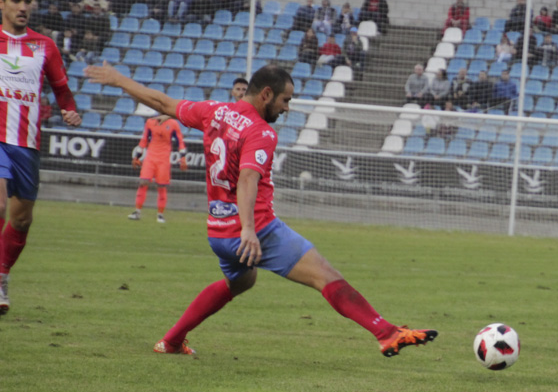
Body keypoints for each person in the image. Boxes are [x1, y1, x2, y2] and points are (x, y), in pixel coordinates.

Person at [85, 63, 438, 357]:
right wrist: (250, 230)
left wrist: (118, 80)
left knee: (241, 281)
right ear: (266, 94)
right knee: (325, 275)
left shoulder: (214, 112)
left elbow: (160, 101)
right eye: (285, 100)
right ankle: (385, 332)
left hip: (217, 232)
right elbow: (248, 180)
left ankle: (173, 341)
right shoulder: (260, 133)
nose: (287, 108)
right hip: (255, 230)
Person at [0, 0, 84, 316]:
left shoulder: (44, 46)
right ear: (2, 4)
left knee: (21, 221)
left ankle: (2, 275)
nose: (23, 7)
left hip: (27, 143)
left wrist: (70, 109)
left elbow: (61, 88)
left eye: (28, 1)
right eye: (16, 0)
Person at [127, 115, 187, 223]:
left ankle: (160, 214)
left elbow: (180, 141)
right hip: (150, 157)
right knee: (143, 182)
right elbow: (144, 139)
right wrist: (137, 156)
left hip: (163, 159)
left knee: (161, 186)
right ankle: (137, 211)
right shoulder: (150, 122)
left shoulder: (173, 124)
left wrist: (183, 157)